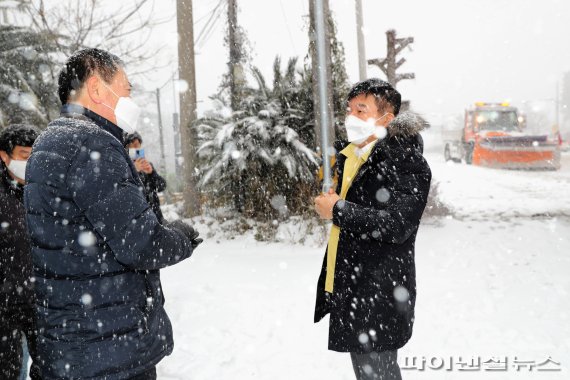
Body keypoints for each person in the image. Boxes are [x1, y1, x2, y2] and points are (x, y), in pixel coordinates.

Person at [24, 48, 202, 379]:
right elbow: (142, 244)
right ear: (96, 88)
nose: (130, 98)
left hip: (69, 340)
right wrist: (183, 235)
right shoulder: (92, 144)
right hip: (106, 349)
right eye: (126, 88)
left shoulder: (49, 141)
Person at [313, 78, 431, 380]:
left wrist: (338, 210)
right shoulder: (354, 156)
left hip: (379, 293)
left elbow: (397, 225)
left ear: (386, 119)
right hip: (356, 290)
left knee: (379, 374)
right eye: (349, 110)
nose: (350, 118)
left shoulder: (405, 162)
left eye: (361, 110)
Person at [0, 124, 41, 380]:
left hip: (40, 299)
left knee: (50, 367)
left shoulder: (42, 190)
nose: (30, 162)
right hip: (5, 305)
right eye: (25, 155)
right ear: (4, 156)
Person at [125, 132, 167, 223]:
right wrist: (134, 170)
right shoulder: (125, 167)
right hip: (139, 219)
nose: (135, 148)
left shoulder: (147, 165)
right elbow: (127, 191)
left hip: (156, 216)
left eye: (137, 145)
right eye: (131, 146)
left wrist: (152, 173)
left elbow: (161, 186)